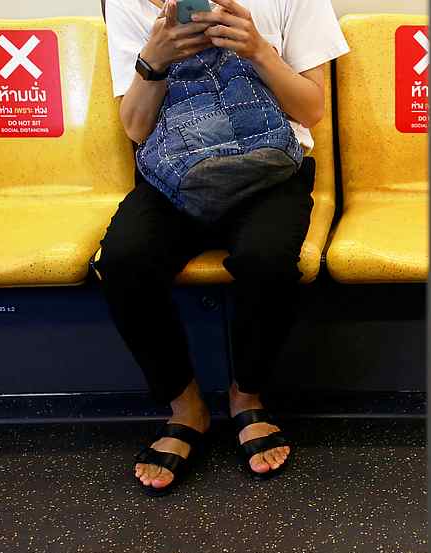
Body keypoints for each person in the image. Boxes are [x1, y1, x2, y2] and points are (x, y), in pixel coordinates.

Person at [98, 0, 349, 495]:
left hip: (271, 167)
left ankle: (246, 395)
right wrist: (154, 59)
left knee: (267, 257)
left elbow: (312, 109)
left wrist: (259, 50)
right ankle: (185, 407)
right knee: (124, 260)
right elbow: (135, 127)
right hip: (176, 170)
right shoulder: (133, 4)